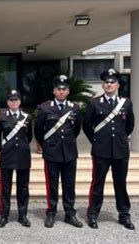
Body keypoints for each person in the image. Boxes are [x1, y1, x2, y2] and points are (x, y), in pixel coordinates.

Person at [83, 68, 135, 230]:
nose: (109, 84)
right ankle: (92, 214)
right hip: (101, 151)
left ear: (118, 84)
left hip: (120, 150)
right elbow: (86, 125)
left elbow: (130, 125)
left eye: (112, 82)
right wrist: (97, 140)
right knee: (97, 184)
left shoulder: (126, 103)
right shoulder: (94, 103)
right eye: (106, 82)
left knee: (120, 183)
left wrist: (120, 139)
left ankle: (124, 215)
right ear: (102, 85)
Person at [34, 75, 83, 228]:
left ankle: (70, 214)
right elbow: (38, 130)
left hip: (69, 152)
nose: (61, 92)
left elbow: (76, 129)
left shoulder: (74, 108)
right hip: (51, 152)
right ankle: (51, 213)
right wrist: (47, 144)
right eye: (58, 89)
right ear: (54, 91)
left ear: (68, 91)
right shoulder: (44, 108)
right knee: (52, 185)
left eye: (64, 89)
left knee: (69, 185)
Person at [0, 90, 32, 228]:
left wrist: (22, 147)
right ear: (7, 102)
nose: (13, 102)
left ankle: (23, 215)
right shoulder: (2, 117)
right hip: (7, 156)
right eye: (11, 100)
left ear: (20, 101)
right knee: (6, 187)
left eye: (16, 99)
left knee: (23, 188)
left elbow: (29, 136)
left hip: (22, 156)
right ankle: (4, 216)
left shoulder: (27, 117)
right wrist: (3, 149)